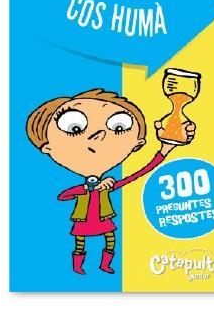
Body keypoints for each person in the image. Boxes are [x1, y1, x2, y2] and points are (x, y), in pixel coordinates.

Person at [26, 88, 196, 275]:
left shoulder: (108, 185)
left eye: (119, 127)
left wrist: (165, 148)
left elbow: (139, 173)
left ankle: (105, 265)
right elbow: (63, 196)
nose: (99, 135)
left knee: (110, 241)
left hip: (104, 219)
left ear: (137, 144)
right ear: (47, 147)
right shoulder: (90, 186)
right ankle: (77, 267)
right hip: (83, 220)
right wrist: (86, 188)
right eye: (74, 128)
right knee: (80, 244)